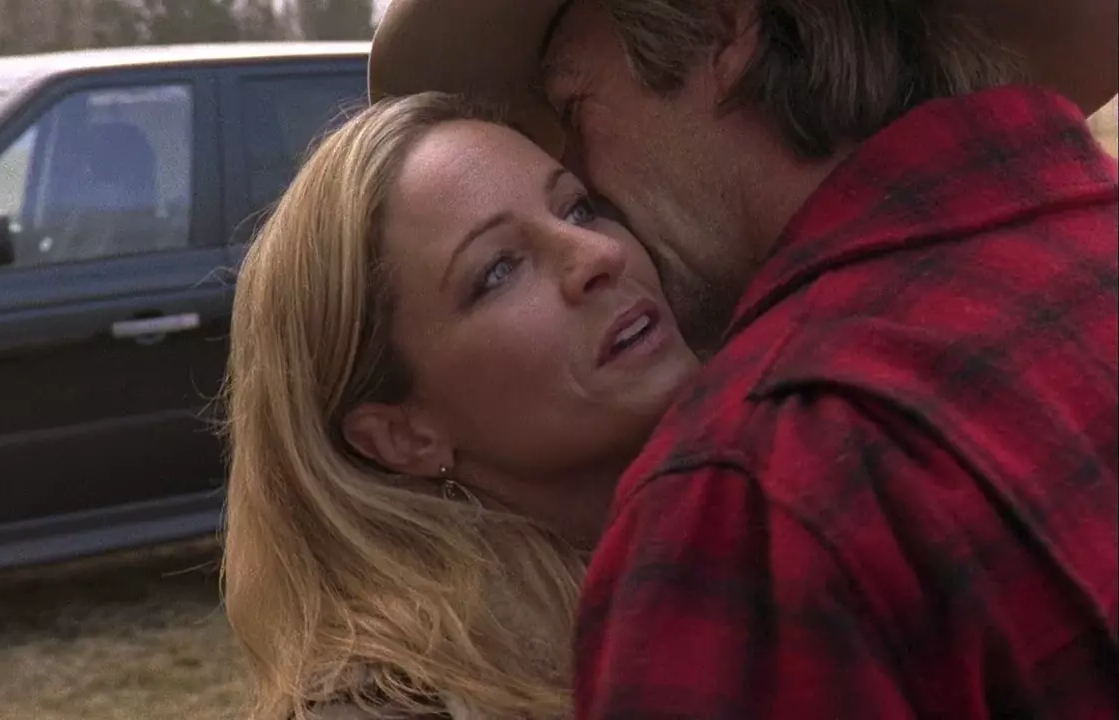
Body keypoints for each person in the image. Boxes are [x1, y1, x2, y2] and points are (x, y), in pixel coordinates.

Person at [369, 0, 1119, 718]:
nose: (596, 222)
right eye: (498, 269)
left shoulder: (753, 495)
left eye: (574, 108)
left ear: (724, 28)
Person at [221, 91, 699, 719]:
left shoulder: (732, 548)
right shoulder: (386, 707)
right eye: (499, 269)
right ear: (402, 435)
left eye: (578, 209)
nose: (599, 256)